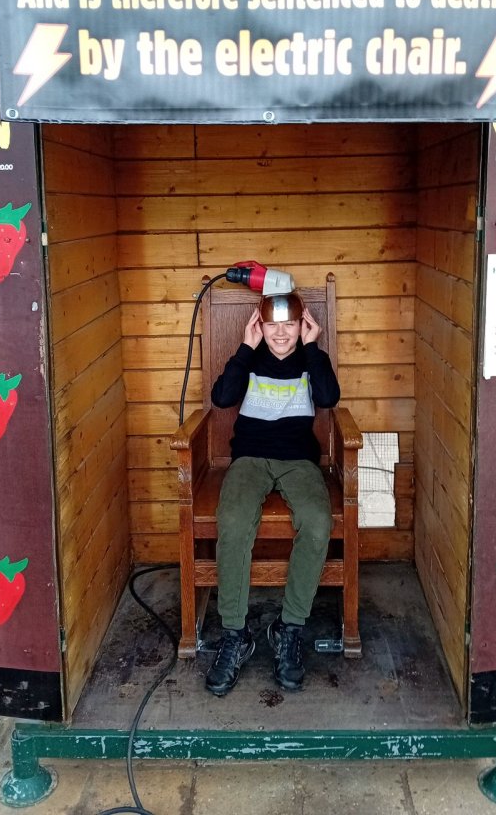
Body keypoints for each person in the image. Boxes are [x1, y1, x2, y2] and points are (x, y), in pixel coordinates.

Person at [205, 291, 341, 696]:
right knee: (232, 521)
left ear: (303, 326)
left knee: (317, 522)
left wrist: (313, 347)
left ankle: (289, 627)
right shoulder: (250, 358)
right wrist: (246, 348)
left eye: (290, 325)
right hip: (250, 459)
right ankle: (235, 633)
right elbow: (222, 398)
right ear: (259, 326)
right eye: (272, 325)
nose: (281, 333)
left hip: (298, 461)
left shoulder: (310, 359)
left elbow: (329, 397)